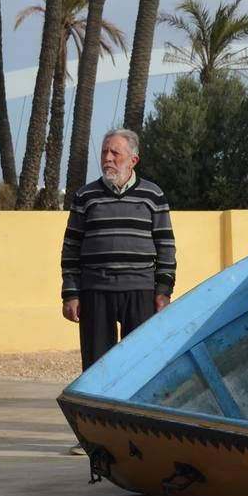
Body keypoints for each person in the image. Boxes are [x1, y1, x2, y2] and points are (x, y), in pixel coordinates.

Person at [61, 129, 176, 371]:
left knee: (142, 364)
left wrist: (163, 290)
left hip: (141, 292)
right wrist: (71, 294)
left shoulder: (153, 195)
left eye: (115, 153)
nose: (107, 158)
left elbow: (166, 247)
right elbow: (71, 249)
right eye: (104, 152)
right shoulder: (85, 196)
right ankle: (99, 409)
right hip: (95, 292)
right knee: (96, 367)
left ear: (133, 160)